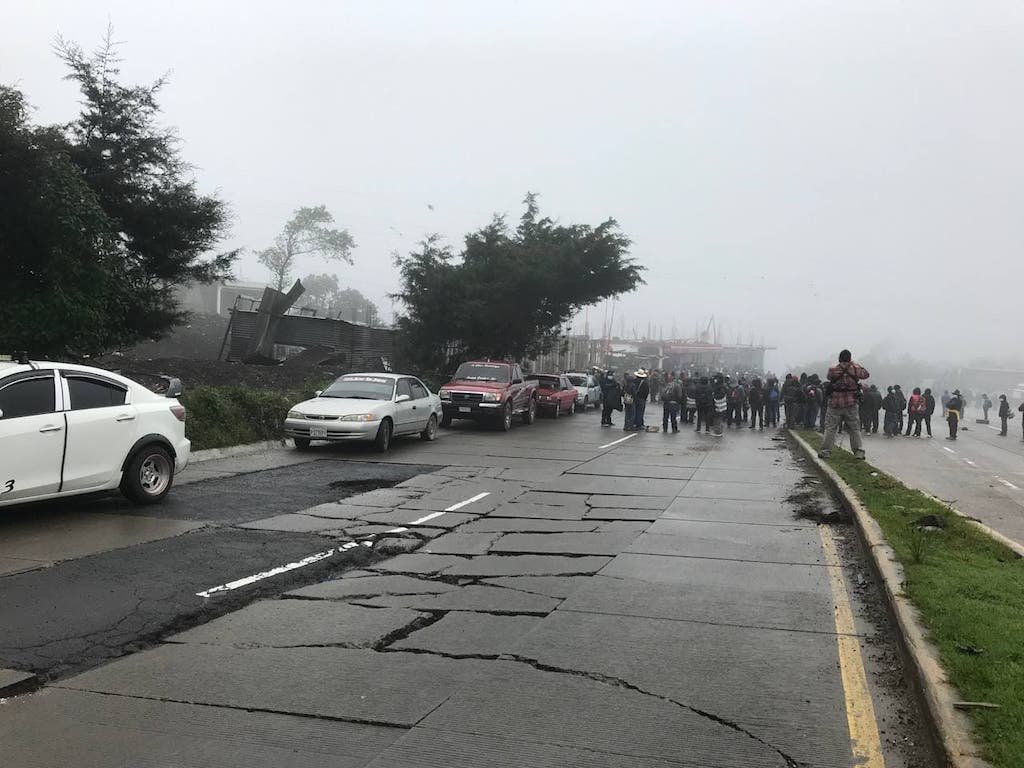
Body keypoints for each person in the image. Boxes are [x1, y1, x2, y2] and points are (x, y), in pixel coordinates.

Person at [818, 350, 869, 460]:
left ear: (839, 358)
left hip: (835, 403)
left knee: (830, 427)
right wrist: (855, 364)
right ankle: (859, 452)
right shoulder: (856, 368)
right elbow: (866, 374)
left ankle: (825, 451)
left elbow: (829, 377)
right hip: (851, 403)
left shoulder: (833, 369)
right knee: (854, 428)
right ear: (850, 359)